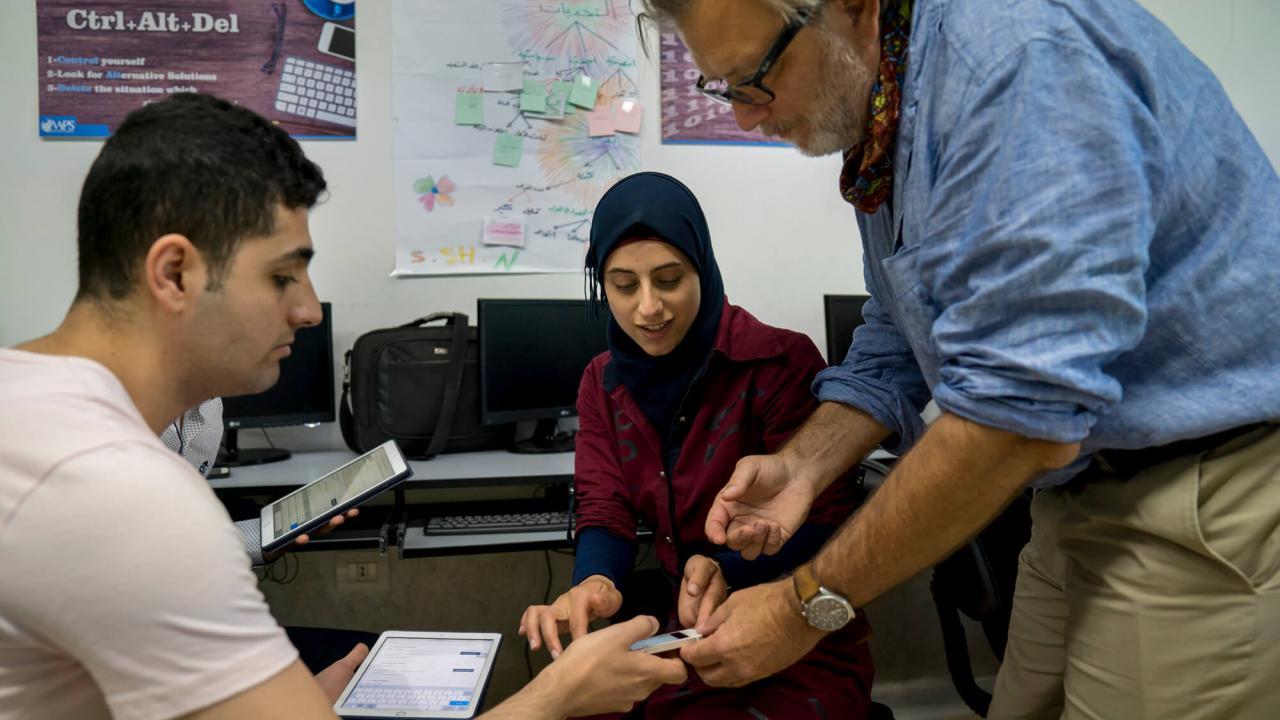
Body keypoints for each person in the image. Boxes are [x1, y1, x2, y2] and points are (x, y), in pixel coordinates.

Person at [639, 1, 1280, 718]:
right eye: (723, 90)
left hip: (1209, 481)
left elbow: (1019, 415)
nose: (748, 118)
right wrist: (803, 466)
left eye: (754, 78)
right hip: (1080, 489)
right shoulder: (887, 109)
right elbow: (900, 330)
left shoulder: (1012, 57)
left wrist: (800, 610)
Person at [0, 93, 684, 720]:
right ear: (175, 273)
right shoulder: (126, 494)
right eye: (282, 274)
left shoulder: (27, 399)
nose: (307, 309)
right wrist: (553, 698)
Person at [518, 172, 874, 719]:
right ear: (600, 285)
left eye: (668, 279)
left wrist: (732, 567)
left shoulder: (778, 362)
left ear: (702, 267)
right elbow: (604, 508)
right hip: (682, 632)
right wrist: (593, 582)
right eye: (623, 284)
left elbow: (830, 520)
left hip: (793, 624)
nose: (648, 308)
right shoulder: (601, 382)